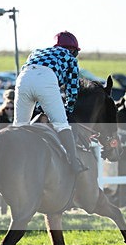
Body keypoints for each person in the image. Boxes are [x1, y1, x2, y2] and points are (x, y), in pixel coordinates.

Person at [13, 31, 87, 173]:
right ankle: (74, 162)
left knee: (19, 126)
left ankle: (13, 159)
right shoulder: (70, 58)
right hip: (45, 79)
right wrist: (69, 108)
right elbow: (72, 88)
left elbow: (34, 84)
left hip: (23, 79)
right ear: (72, 50)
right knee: (62, 124)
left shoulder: (37, 51)